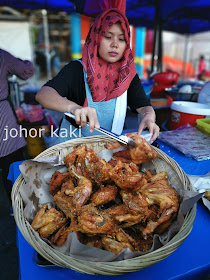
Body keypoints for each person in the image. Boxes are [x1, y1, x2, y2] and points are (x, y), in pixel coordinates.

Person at [36, 9, 159, 144]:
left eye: (121, 39)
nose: (115, 44)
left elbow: (143, 106)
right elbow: (43, 94)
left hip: (107, 152)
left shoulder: (127, 75)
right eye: (108, 36)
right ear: (97, 37)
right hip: (70, 148)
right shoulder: (77, 69)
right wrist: (74, 108)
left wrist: (148, 118)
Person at [0, 49, 35, 206]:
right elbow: (25, 72)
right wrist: (23, 62)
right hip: (2, 117)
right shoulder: (2, 55)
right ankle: (19, 206)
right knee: (11, 163)